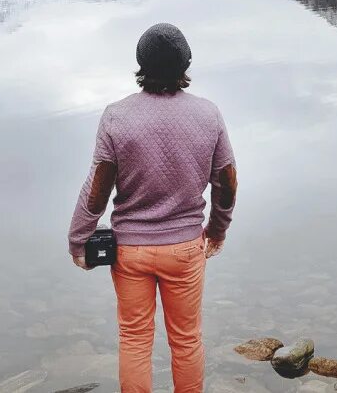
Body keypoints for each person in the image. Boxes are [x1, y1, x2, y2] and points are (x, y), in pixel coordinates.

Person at [68, 23, 238, 393]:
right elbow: (226, 184)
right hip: (184, 251)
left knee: (134, 338)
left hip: (130, 252)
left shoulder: (116, 116)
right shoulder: (209, 115)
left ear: (140, 64)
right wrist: (217, 231)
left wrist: (78, 240)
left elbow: (97, 189)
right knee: (187, 340)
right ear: (185, 64)